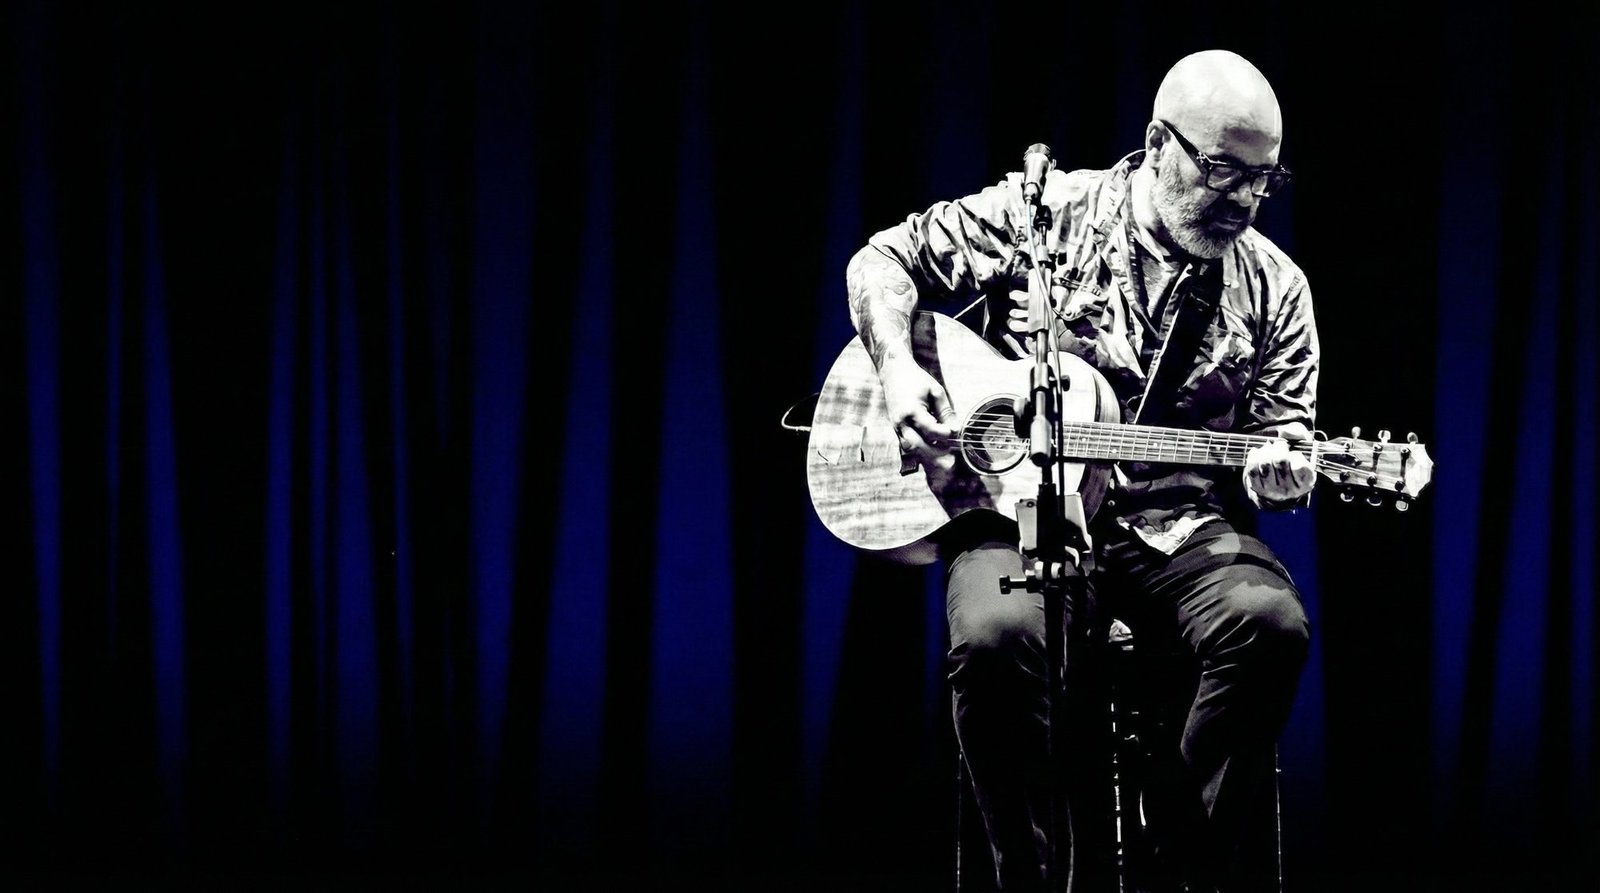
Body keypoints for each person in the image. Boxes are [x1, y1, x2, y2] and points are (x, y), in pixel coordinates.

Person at [844, 50, 1315, 892]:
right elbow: (881, 261)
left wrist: (1281, 475)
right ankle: (1027, 873)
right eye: (1222, 171)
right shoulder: (1048, 214)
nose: (1244, 200)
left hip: (1175, 527)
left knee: (1270, 624)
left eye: (1264, 180)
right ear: (1156, 144)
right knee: (993, 642)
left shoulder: (1276, 287)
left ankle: (1177, 848)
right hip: (1025, 507)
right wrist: (900, 370)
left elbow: (1281, 443)